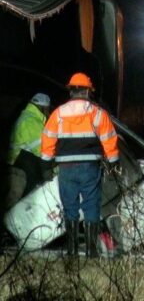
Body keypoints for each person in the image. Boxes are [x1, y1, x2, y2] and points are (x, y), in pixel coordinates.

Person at [41, 72, 119, 258]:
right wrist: (114, 162)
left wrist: (45, 164)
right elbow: (109, 138)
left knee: (70, 207)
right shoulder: (97, 113)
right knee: (92, 206)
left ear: (71, 92)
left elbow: (48, 138)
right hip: (89, 167)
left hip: (66, 168)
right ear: (87, 92)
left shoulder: (58, 114)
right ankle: (92, 250)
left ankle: (72, 250)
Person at [6, 93, 51, 208]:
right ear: (43, 107)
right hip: (20, 172)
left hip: (19, 168)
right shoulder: (31, 121)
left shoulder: (28, 117)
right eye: (48, 109)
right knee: (12, 209)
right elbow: (44, 148)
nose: (49, 113)